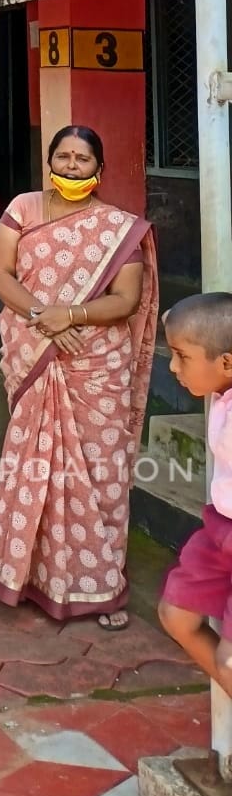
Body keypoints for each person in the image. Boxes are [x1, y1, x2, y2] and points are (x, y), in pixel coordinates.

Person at [0, 124, 158, 628]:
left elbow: (126, 299)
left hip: (98, 363)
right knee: (36, 465)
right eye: (64, 157)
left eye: (82, 159)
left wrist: (70, 316)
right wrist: (44, 318)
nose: (72, 167)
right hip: (36, 349)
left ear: (100, 169)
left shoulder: (118, 228)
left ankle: (99, 585)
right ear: (49, 161)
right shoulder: (24, 208)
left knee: (100, 474)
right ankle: (30, 574)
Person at [159, 293, 232, 695]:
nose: (172, 367)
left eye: (182, 357)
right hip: (219, 531)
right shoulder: (222, 387)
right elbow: (176, 316)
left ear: (226, 363)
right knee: (177, 615)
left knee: (229, 661)